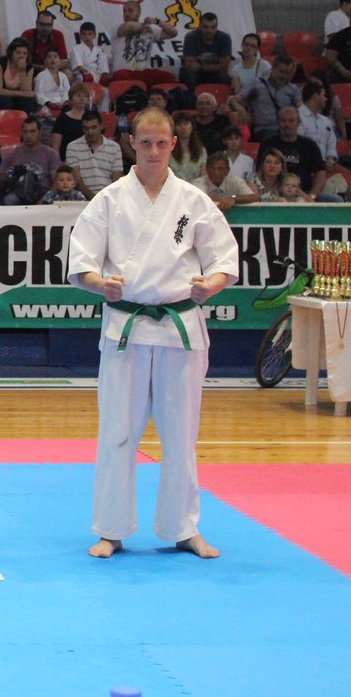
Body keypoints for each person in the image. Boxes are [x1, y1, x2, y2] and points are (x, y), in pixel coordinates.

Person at [68, 107, 238, 560]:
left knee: (181, 434)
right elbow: (81, 262)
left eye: (163, 143)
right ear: (131, 143)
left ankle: (183, 528)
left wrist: (211, 286)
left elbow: (224, 260)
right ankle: (111, 528)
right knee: (117, 431)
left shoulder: (193, 200)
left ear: (174, 144)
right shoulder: (109, 200)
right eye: (145, 142)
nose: (154, 151)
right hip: (126, 326)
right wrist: (100, 284)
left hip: (180, 328)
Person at [257, 105, 329, 199]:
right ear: (278, 122)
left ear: (298, 122)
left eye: (291, 121)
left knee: (335, 199)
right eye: (283, 121)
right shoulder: (267, 144)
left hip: (305, 194)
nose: (287, 124)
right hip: (274, 195)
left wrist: (312, 195)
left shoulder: (310, 145)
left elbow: (320, 172)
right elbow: (260, 171)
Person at [0, 116, 61, 205]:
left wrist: (43, 200)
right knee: (9, 200)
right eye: (25, 132)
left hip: (43, 193)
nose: (28, 136)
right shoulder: (11, 154)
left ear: (40, 133)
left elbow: (56, 182)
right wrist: (7, 176)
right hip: (19, 193)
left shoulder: (51, 154)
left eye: (32, 131)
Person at [66, 110, 124, 199]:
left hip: (108, 197)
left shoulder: (114, 148)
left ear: (101, 126)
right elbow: (77, 180)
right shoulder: (73, 147)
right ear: (82, 128)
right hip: (82, 198)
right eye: (86, 128)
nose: (90, 132)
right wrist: (95, 200)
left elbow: (116, 179)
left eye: (94, 127)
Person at [242, 55, 300, 142]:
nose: (284, 76)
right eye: (281, 72)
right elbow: (236, 99)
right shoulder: (256, 83)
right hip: (263, 130)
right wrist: (241, 109)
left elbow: (300, 106)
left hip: (286, 128)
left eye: (288, 73)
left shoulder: (293, 89)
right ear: (273, 68)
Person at [113, 1, 176, 74]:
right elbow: (130, 27)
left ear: (138, 12)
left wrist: (157, 21)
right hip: (123, 72)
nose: (126, 14)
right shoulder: (117, 26)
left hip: (143, 72)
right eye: (124, 11)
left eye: (130, 11)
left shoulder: (149, 29)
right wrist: (145, 24)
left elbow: (173, 32)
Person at [180, 13, 233, 87]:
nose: (209, 31)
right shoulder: (191, 37)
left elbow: (223, 67)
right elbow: (190, 66)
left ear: (217, 26)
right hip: (196, 74)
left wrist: (200, 67)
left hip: (214, 74)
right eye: (205, 27)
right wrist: (215, 67)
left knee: (224, 77)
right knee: (190, 76)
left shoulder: (225, 38)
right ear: (199, 25)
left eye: (213, 27)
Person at [193, 151, 257, 211]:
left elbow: (253, 197)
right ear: (207, 169)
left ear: (227, 171)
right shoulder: (198, 182)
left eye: (220, 169)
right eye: (212, 168)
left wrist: (234, 198)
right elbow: (201, 197)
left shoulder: (236, 181)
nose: (216, 172)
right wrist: (223, 202)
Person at [0, 38, 38, 114]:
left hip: (18, 99)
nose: (21, 56)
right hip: (0, 97)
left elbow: (27, 92)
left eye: (25, 53)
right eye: (18, 53)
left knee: (27, 102)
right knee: (4, 101)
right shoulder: (0, 63)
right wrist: (21, 93)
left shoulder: (29, 67)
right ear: (11, 53)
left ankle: (25, 121)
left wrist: (22, 71)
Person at [51, 84, 93, 159]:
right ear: (71, 99)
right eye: (78, 95)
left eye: (85, 96)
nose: (82, 98)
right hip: (66, 160)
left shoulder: (91, 118)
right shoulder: (62, 118)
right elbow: (55, 145)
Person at [169, 112, 207, 182]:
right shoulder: (168, 151)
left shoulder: (201, 151)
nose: (183, 127)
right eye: (179, 124)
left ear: (192, 126)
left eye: (186, 124)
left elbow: (203, 177)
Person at [69, 22, 110, 86]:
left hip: (97, 78)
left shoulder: (99, 51)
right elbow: (78, 65)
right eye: (84, 34)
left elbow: (103, 69)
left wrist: (104, 77)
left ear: (94, 35)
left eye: (90, 34)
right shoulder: (76, 49)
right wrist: (86, 73)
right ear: (80, 35)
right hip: (82, 78)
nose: (87, 37)